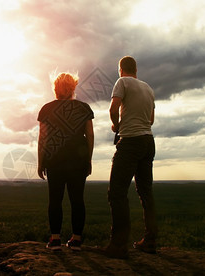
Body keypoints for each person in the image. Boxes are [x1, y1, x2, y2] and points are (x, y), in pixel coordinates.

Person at [105, 56, 157, 259]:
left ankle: (118, 244)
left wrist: (116, 126)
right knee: (146, 192)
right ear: (136, 69)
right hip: (148, 141)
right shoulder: (148, 88)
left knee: (117, 193)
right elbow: (151, 120)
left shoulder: (122, 82)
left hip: (130, 142)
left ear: (121, 70)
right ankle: (150, 240)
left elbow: (113, 108)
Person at [37, 72, 94, 251]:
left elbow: (43, 139)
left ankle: (55, 239)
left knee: (55, 200)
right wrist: (88, 159)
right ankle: (76, 240)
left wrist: (40, 162)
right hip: (78, 161)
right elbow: (90, 135)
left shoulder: (46, 109)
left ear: (55, 89)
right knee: (77, 200)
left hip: (54, 161)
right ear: (73, 88)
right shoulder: (84, 108)